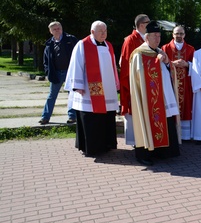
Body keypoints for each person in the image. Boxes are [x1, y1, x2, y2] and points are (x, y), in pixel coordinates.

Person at [129, 21, 181, 165]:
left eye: (159, 36)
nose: (158, 39)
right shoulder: (139, 54)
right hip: (148, 99)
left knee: (165, 121)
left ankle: (162, 152)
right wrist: (157, 63)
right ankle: (144, 154)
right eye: (154, 36)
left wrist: (166, 63)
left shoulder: (159, 51)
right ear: (146, 38)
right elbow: (140, 76)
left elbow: (170, 70)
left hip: (163, 96)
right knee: (148, 121)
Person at [64, 21, 119, 157]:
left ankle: (106, 144)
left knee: (106, 117)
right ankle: (91, 147)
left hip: (107, 90)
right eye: (100, 31)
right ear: (92, 32)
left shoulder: (108, 45)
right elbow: (76, 64)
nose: (103, 34)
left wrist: (115, 84)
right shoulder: (82, 45)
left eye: (105, 31)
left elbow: (112, 67)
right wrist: (78, 85)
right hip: (89, 91)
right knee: (91, 119)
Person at [119, 14, 150, 147]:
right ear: (142, 25)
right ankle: (134, 141)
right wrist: (130, 84)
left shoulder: (146, 38)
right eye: (148, 23)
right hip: (134, 83)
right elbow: (125, 63)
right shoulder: (131, 40)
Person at [40, 21, 78, 125]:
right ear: (50, 31)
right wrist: (48, 72)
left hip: (70, 72)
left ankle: (72, 116)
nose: (57, 30)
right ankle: (45, 117)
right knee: (52, 96)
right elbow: (46, 61)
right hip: (56, 73)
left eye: (59, 28)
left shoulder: (70, 39)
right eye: (55, 29)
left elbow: (79, 54)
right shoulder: (49, 44)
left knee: (72, 95)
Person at [162, 25, 195, 141]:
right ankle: (172, 134)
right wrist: (172, 63)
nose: (179, 36)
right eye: (177, 33)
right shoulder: (165, 48)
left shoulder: (191, 49)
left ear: (184, 35)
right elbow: (161, 65)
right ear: (173, 34)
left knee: (185, 107)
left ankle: (185, 136)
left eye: (181, 33)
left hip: (186, 84)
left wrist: (187, 65)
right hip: (171, 84)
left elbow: (196, 67)